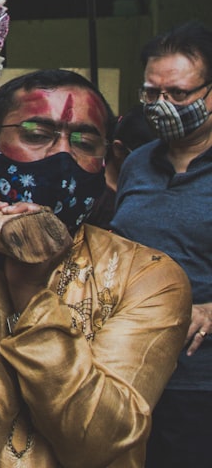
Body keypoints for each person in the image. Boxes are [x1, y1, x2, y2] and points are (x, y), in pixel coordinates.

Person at [0, 68, 192, 467]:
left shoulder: (150, 276)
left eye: (83, 141)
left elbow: (97, 444)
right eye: (35, 135)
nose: (61, 156)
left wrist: (29, 292)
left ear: (106, 165)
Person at [112, 23, 212, 467]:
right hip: (128, 374)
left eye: (178, 94)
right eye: (151, 94)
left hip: (199, 385)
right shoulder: (138, 163)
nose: (161, 106)